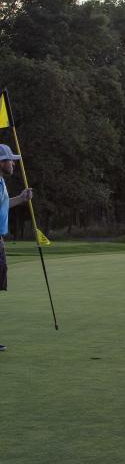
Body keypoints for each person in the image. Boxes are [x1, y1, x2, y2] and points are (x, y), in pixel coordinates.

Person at [0, 143, 33, 352]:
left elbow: (3, 205)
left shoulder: (1, 182)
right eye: (10, 160)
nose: (13, 163)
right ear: (1, 162)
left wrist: (21, 199)